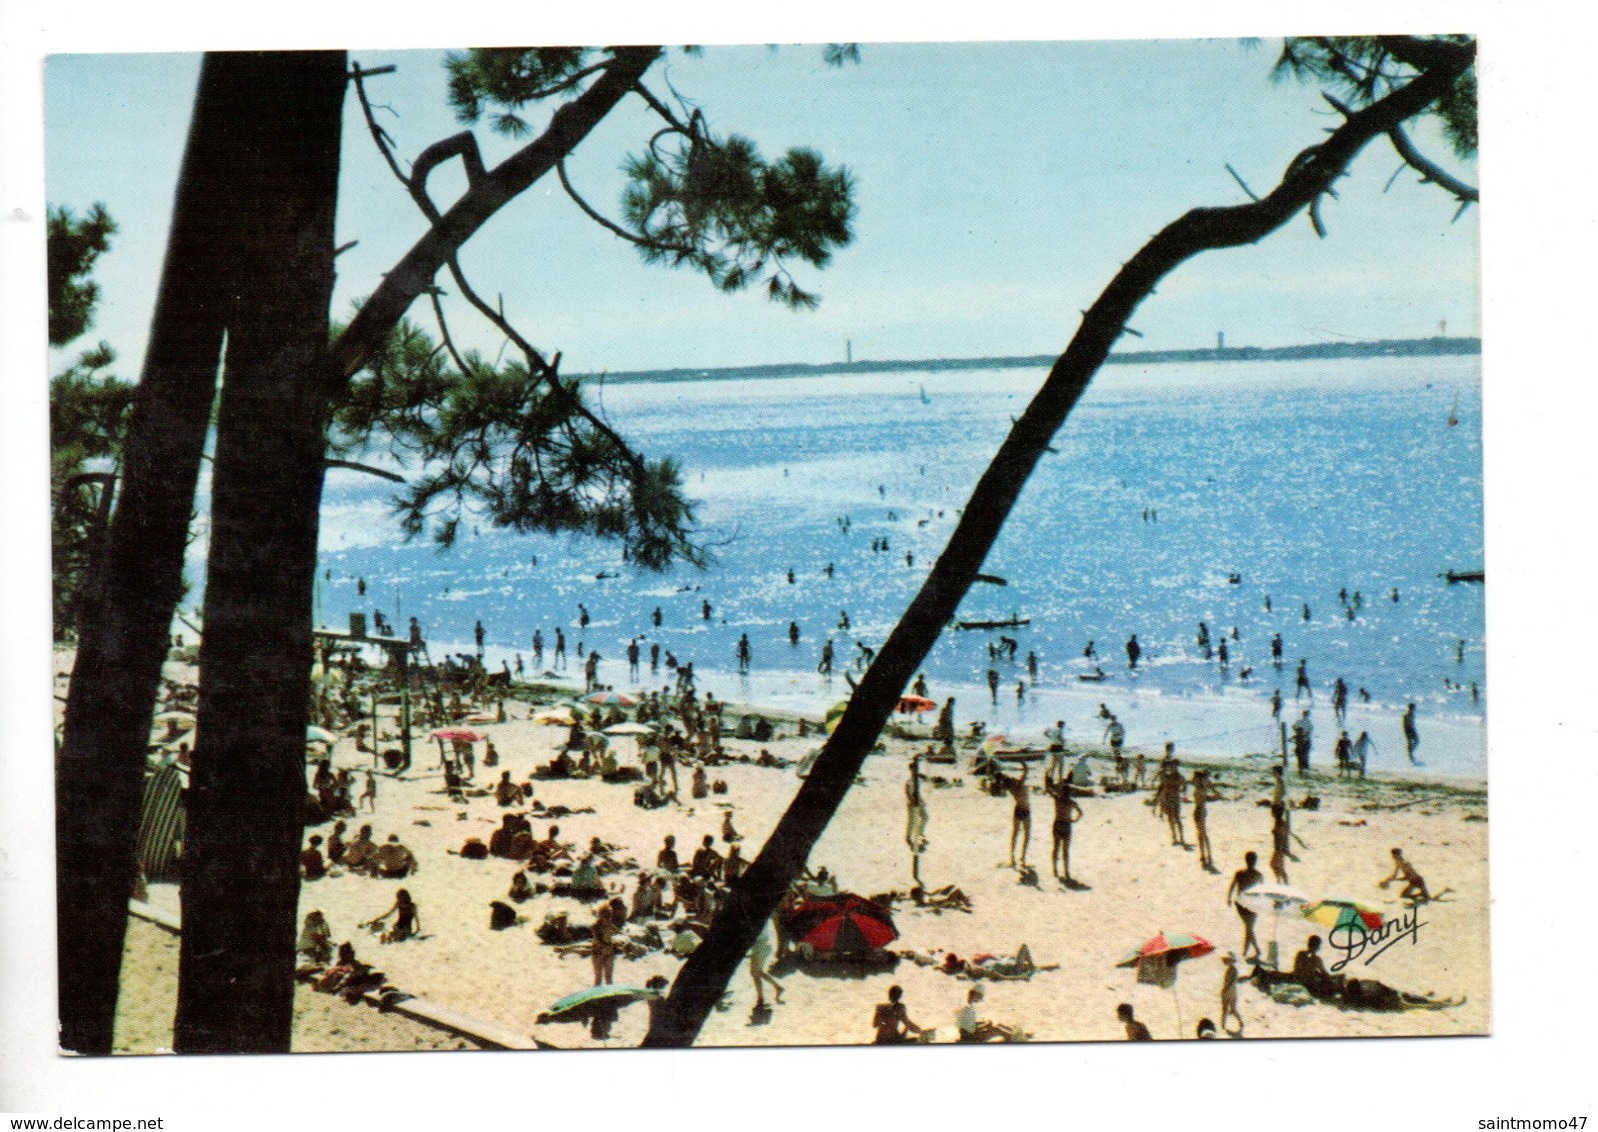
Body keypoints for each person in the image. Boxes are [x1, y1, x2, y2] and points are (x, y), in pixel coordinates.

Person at [1044, 767, 1086, 885]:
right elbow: (1081, 813)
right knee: (1065, 851)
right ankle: (1066, 872)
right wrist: (1074, 820)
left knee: (1056, 848)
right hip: (1067, 825)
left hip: (1057, 824)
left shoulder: (1057, 799)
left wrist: (1046, 775)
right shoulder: (1071, 802)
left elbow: (1048, 789)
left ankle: (1055, 870)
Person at [1226, 851, 1265, 962]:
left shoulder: (1240, 873)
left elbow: (1232, 885)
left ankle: (1247, 950)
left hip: (1242, 903)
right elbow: (1263, 890)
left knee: (1248, 927)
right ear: (1255, 861)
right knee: (1249, 927)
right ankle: (1252, 950)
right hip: (1252, 904)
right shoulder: (1258, 875)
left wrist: (1228, 897)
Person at [996, 763, 1031, 869]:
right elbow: (1026, 771)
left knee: (1015, 834)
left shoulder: (1011, 788)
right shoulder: (1019, 785)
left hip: (1018, 810)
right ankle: (1022, 859)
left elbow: (1003, 783)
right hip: (1025, 810)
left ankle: (1013, 859)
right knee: (1026, 835)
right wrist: (1023, 763)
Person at [956, 986, 1021, 1042]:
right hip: (971, 1037)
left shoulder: (968, 1006)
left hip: (969, 1034)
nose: (980, 1000)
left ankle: (1016, 1034)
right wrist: (985, 1025)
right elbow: (967, 1029)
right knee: (996, 1029)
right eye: (980, 997)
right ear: (976, 995)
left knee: (998, 1025)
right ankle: (1015, 1037)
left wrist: (982, 1023)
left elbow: (968, 1023)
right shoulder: (967, 1008)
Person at [1291, 935, 1344, 1000]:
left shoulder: (1300, 954)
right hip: (1310, 985)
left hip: (1297, 979)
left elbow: (1299, 969)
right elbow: (1325, 975)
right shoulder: (1316, 959)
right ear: (1318, 947)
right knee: (1332, 984)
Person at [749, 926, 784, 1008]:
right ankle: (763, 996)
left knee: (755, 972)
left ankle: (762, 997)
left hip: (759, 947)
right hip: (765, 945)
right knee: (757, 972)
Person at [1191, 769, 1219, 871]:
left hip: (1201, 811)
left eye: (1195, 777)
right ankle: (1204, 855)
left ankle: (1208, 855)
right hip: (1198, 811)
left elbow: (1208, 797)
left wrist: (1216, 796)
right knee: (1200, 835)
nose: (1193, 779)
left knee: (1203, 834)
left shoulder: (1202, 788)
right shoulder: (1199, 787)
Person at [1219, 952, 1244, 1035]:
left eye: (1228, 960)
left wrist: (1225, 989)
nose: (1226, 961)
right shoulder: (1230, 969)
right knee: (1225, 1009)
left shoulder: (1233, 970)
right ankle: (1222, 1026)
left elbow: (1232, 982)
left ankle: (1240, 1022)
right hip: (1228, 991)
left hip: (1230, 992)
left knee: (1232, 1009)